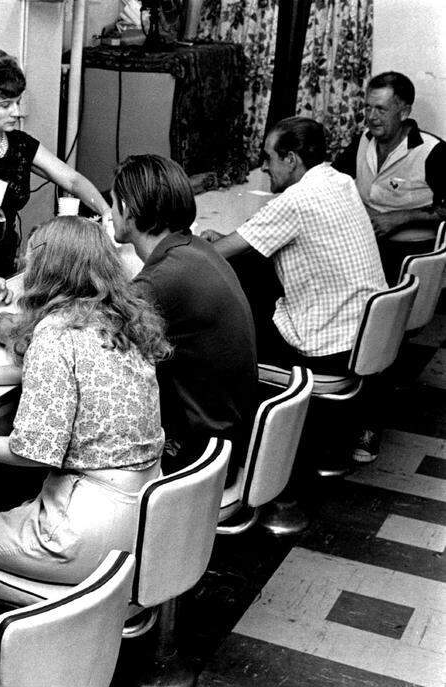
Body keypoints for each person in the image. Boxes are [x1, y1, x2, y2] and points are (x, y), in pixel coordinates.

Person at [0, 218, 167, 636]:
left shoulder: (55, 333)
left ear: (48, 268)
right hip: (146, 518)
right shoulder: (121, 319)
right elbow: (82, 373)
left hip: (85, 530)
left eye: (31, 256)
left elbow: (33, 451)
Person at [202, 116, 386, 375]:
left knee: (224, 306)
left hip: (328, 350)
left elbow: (209, 255)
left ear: (291, 159)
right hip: (366, 336)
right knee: (252, 273)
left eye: (268, 158)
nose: (264, 167)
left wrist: (187, 244)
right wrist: (230, 239)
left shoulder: (296, 200)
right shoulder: (340, 180)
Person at [112, 154, 258, 478]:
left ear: (128, 210)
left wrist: (8, 325)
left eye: (112, 203)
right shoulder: (195, 250)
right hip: (227, 442)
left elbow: (86, 343)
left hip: (199, 459)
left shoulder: (164, 278)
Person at [0, 48, 112, 277]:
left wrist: (107, 213)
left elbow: (73, 180)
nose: (16, 112)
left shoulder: (20, 145)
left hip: (7, 268)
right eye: (5, 105)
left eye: (18, 102)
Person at [333, 71, 446, 283]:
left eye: (381, 109)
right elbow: (333, 181)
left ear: (404, 112)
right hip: (364, 244)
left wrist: (401, 218)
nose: (371, 117)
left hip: (411, 254)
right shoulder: (363, 142)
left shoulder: (433, 151)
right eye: (367, 107)